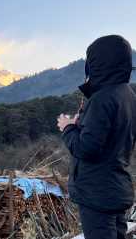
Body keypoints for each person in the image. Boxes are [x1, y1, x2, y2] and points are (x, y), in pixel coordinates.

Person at [57, 35, 136, 239]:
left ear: (96, 64)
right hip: (116, 188)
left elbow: (87, 149)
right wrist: (81, 125)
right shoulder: (128, 95)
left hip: (97, 194)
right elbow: (114, 136)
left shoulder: (101, 99)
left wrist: (68, 128)